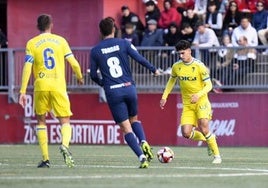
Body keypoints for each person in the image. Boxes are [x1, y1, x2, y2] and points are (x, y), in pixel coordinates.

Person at [90, 17, 160, 168]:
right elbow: (139, 58)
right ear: (114, 29)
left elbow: (93, 75)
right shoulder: (124, 43)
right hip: (129, 88)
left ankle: (141, 157)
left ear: (100, 32)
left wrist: (104, 83)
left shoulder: (95, 50)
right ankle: (143, 141)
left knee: (126, 128)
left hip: (113, 92)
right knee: (134, 119)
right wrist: (153, 69)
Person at [19, 14, 84, 168]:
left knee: (41, 120)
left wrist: (22, 91)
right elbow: (73, 63)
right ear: (51, 25)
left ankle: (46, 159)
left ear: (38, 26)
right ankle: (65, 146)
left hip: (41, 85)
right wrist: (80, 76)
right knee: (65, 120)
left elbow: (27, 67)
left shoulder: (32, 43)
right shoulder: (60, 41)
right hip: (58, 85)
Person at [160, 40, 222, 164]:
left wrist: (198, 95)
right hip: (188, 105)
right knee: (186, 133)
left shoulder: (199, 66)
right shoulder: (176, 66)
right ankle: (210, 139)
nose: (181, 56)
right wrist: (164, 96)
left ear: (189, 51)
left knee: (204, 127)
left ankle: (217, 156)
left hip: (201, 102)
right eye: (179, 54)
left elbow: (209, 85)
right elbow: (171, 81)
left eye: (183, 53)